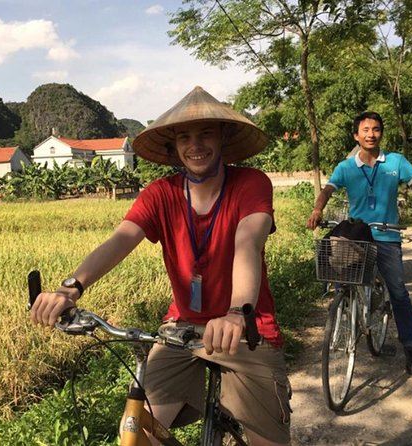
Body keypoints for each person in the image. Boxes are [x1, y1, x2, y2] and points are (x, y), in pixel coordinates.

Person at [30, 86, 292, 446]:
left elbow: (248, 241)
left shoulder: (250, 183)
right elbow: (120, 240)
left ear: (224, 138)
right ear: (174, 146)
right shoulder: (160, 194)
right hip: (182, 328)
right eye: (184, 136)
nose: (194, 145)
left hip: (245, 326)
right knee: (137, 432)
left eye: (205, 134)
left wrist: (237, 311)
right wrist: (70, 288)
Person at [306, 111, 412, 376]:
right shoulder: (346, 167)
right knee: (340, 276)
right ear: (356, 135)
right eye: (365, 130)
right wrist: (317, 210)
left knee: (398, 292)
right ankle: (345, 312)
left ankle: (411, 347)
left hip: (387, 236)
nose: (370, 134)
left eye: (375, 129)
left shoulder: (395, 161)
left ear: (381, 133)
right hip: (358, 237)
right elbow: (327, 190)